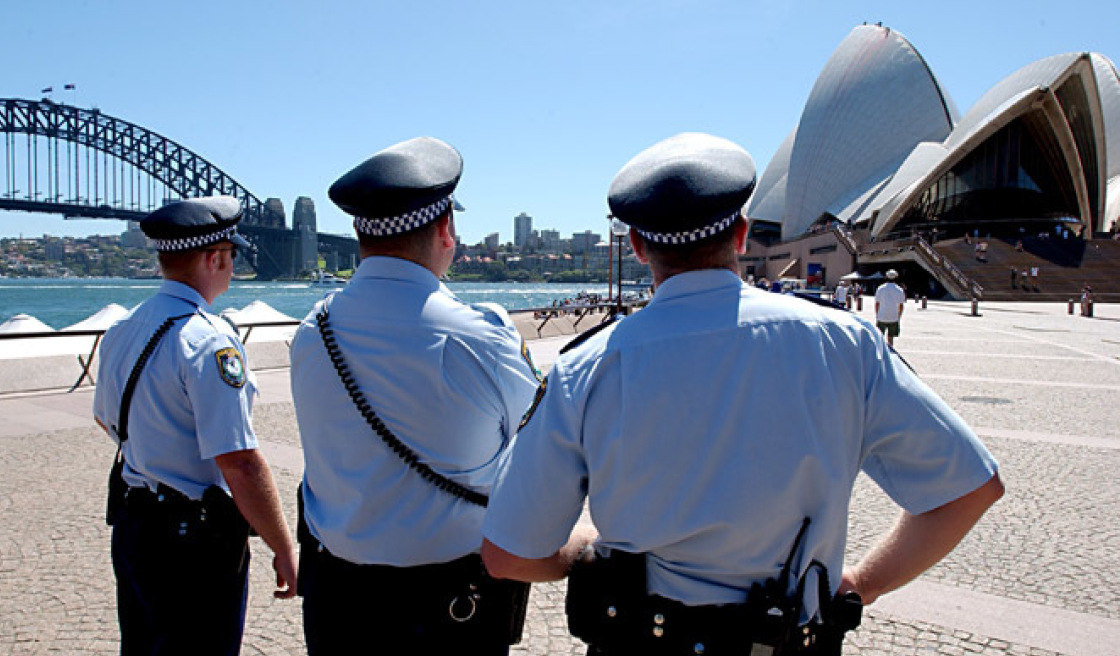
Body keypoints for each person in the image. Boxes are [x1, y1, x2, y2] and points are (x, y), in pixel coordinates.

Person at [479, 133, 1002, 655]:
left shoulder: (588, 366)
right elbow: (971, 487)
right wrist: (863, 583)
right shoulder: (845, 344)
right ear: (743, 235)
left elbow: (507, 556)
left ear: (637, 246)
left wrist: (585, 554)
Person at [290, 136, 542, 655]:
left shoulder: (311, 334)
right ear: (445, 229)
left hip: (336, 602)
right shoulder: (481, 337)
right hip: (449, 609)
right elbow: (537, 449)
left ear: (359, 231)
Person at [93, 196, 297, 655]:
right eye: (231, 257)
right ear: (213, 258)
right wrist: (282, 545)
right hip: (192, 540)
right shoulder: (209, 339)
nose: (232, 269)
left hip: (134, 522)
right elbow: (240, 461)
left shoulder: (122, 330)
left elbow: (103, 418)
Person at [874, 269, 907, 347]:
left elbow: (877, 303)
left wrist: (877, 314)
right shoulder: (899, 290)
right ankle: (890, 349)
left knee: (880, 335)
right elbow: (901, 305)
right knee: (891, 336)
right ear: (896, 278)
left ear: (886, 277)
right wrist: (899, 316)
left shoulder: (880, 288)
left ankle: (880, 349)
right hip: (894, 316)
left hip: (882, 315)